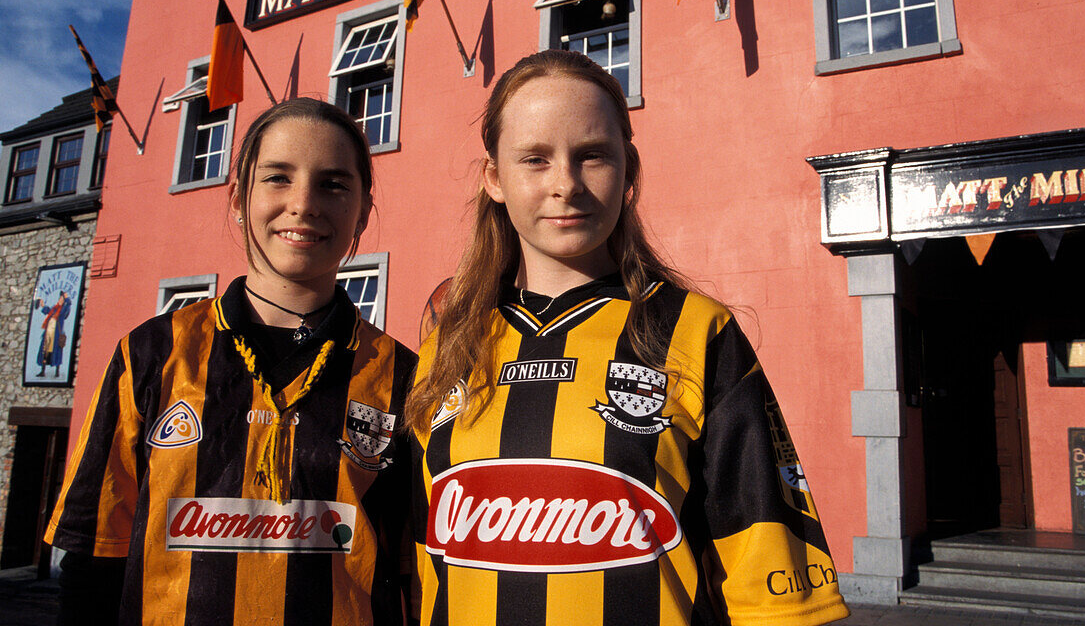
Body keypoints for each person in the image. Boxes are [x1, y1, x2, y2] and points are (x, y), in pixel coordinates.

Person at [407, 50, 849, 626]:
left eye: (592, 156)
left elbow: (770, 585)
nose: (565, 184)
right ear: (495, 178)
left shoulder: (699, 333)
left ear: (629, 170)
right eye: (535, 159)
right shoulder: (447, 348)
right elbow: (423, 571)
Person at [45, 98, 416, 626]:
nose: (304, 203)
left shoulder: (404, 376)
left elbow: (415, 578)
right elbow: (92, 557)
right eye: (278, 178)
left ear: (364, 209)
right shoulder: (150, 353)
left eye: (334, 184)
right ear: (239, 198)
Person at [36, 290, 71, 377]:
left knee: (57, 352)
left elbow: (68, 306)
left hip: (56, 335)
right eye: (60, 299)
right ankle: (42, 371)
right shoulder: (54, 308)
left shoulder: (63, 311)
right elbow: (48, 311)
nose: (60, 300)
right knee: (45, 352)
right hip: (48, 334)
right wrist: (43, 305)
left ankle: (57, 372)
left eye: (62, 299)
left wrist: (66, 298)